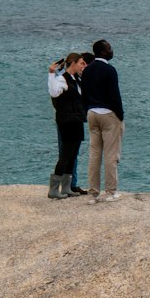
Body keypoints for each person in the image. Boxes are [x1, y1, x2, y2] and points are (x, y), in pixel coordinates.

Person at [80, 38, 124, 201]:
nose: (111, 50)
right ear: (102, 52)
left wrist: (87, 110)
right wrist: (120, 115)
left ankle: (92, 194)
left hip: (92, 113)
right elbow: (115, 96)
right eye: (109, 48)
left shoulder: (87, 70)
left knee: (94, 154)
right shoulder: (109, 70)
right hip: (108, 114)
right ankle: (111, 192)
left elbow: (84, 95)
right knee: (110, 155)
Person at [47, 53, 86, 198]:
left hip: (77, 120)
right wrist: (51, 73)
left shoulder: (77, 79)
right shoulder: (62, 79)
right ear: (73, 63)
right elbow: (54, 92)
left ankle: (66, 187)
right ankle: (53, 189)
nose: (83, 66)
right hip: (66, 121)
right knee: (66, 154)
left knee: (73, 153)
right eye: (81, 63)